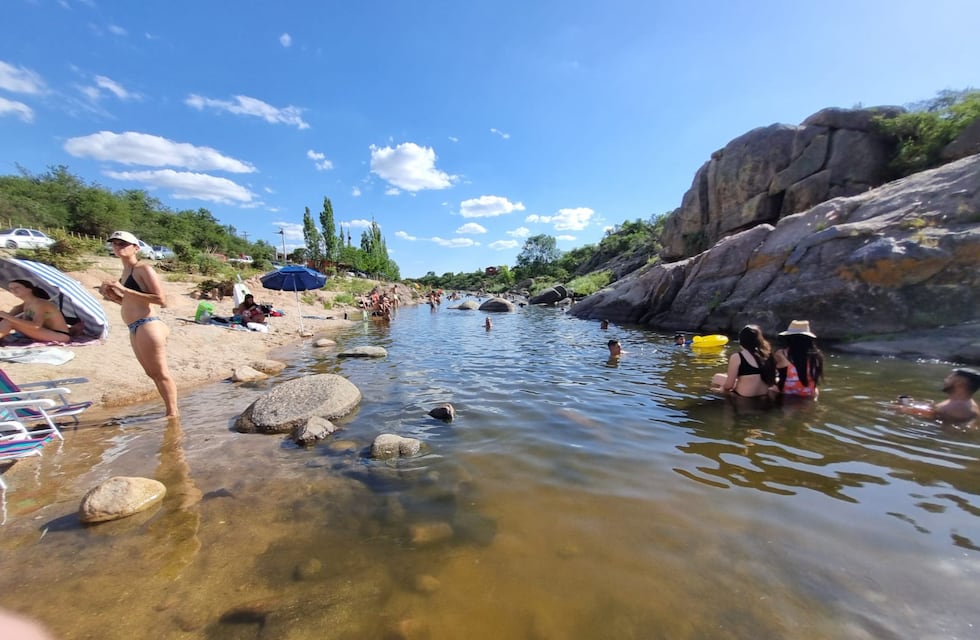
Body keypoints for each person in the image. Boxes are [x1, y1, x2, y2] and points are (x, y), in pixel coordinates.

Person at [100, 230, 179, 418]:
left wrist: (123, 289)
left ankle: (173, 414)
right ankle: (170, 413)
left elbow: (161, 299)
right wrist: (113, 298)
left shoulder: (143, 269)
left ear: (135, 248)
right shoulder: (125, 271)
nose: (118, 247)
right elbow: (132, 302)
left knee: (161, 373)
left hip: (148, 324)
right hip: (135, 326)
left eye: (122, 244)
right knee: (152, 374)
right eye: (115, 244)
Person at [711, 324, 776, 397]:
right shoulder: (767, 355)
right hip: (763, 395)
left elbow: (729, 386)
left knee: (716, 378)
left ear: (741, 340)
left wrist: (721, 390)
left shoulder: (738, 357)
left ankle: (721, 403)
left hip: (743, 397)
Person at [897, 368, 980, 424]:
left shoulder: (955, 407)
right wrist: (912, 404)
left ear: (960, 383)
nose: (945, 380)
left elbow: (921, 415)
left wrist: (903, 406)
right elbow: (932, 411)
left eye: (950, 378)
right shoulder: (965, 402)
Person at [0, 279, 71, 344]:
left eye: (17, 287)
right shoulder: (27, 304)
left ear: (29, 289)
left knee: (9, 321)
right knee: (9, 320)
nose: (14, 291)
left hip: (59, 335)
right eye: (11, 289)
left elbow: (36, 325)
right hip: (47, 332)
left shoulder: (40, 303)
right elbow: (25, 322)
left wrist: (8, 317)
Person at [773, 320, 824, 398]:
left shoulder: (782, 354)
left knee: (771, 385)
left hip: (788, 394)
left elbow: (771, 371)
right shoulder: (817, 355)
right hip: (810, 393)